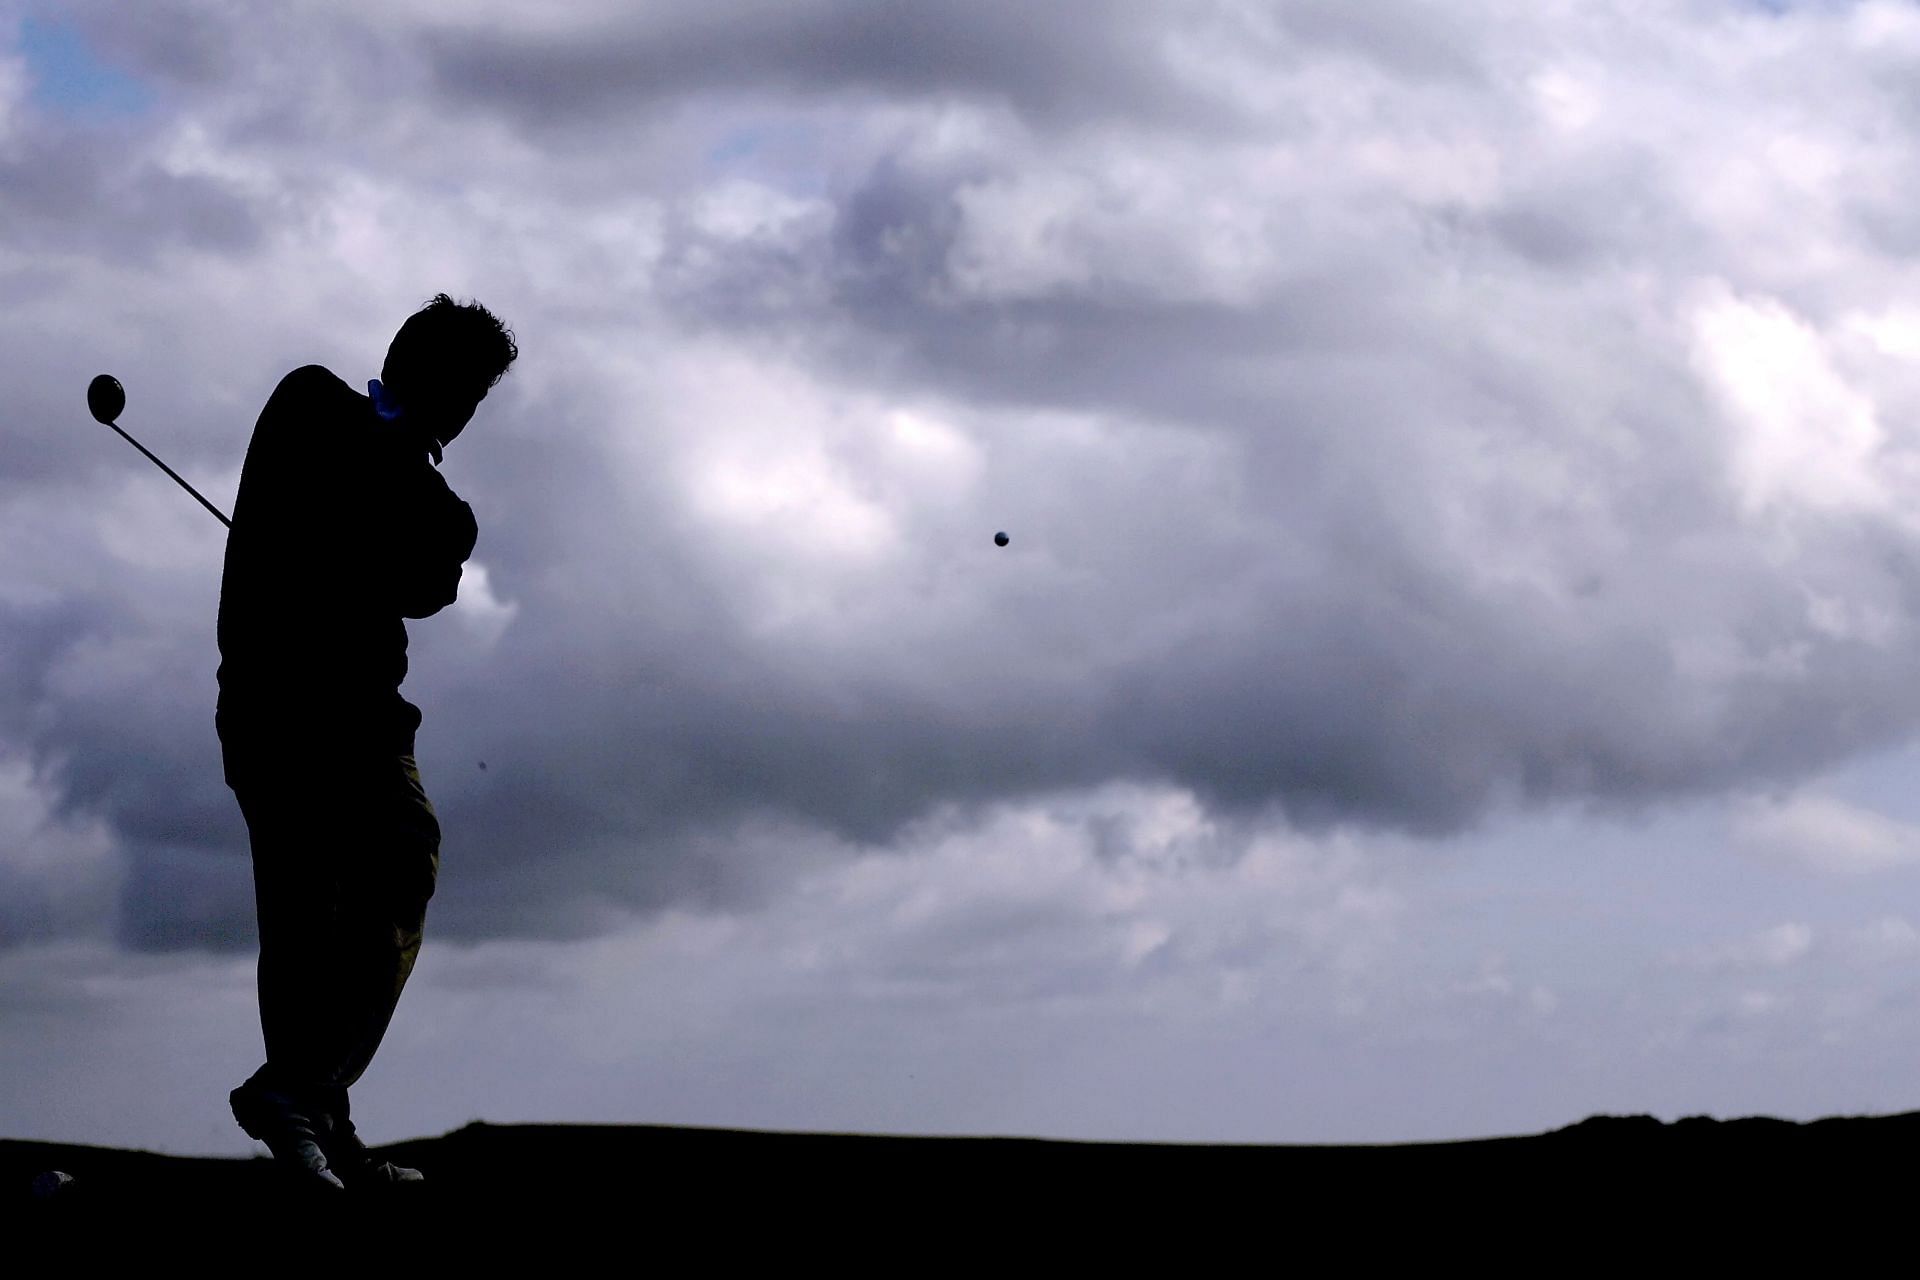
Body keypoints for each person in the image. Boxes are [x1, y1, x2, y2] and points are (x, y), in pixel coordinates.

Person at [215, 294, 517, 1190]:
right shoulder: (311, 402)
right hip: (276, 710)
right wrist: (405, 478)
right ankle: (313, 1121)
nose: (461, 413)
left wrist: (411, 498)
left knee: (390, 868)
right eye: (459, 391)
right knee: (306, 918)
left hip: (365, 720)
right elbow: (409, 536)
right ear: (412, 366)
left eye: (472, 399)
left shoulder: (432, 500)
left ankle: (303, 1100)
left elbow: (428, 580)